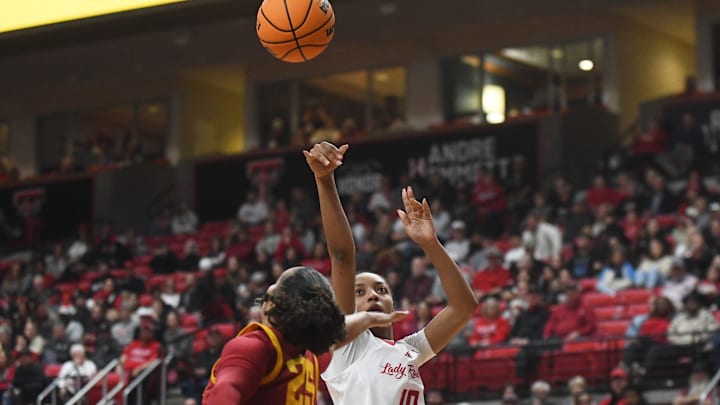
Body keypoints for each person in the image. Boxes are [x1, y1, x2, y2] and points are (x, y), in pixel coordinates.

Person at [304, 142, 478, 405]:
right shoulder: (347, 346)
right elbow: (341, 255)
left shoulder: (410, 350)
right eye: (359, 292)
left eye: (381, 289)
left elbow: (463, 307)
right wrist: (325, 180)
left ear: (393, 306)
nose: (372, 295)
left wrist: (431, 244)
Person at [202, 266, 407, 404]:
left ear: (280, 303)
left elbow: (339, 331)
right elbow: (225, 391)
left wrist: (368, 319)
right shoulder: (257, 347)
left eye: (275, 290)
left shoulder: (301, 348)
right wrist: (369, 318)